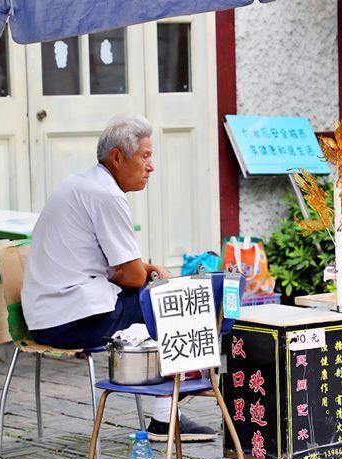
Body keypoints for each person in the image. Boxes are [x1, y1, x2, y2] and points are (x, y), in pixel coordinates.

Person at [21, 114, 216, 441]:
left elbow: (125, 269)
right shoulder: (107, 195)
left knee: (156, 298)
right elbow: (131, 276)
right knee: (171, 303)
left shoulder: (82, 183)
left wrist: (144, 270)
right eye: (145, 156)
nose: (150, 166)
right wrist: (147, 272)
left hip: (49, 314)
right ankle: (166, 417)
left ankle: (168, 410)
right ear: (116, 157)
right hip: (68, 320)